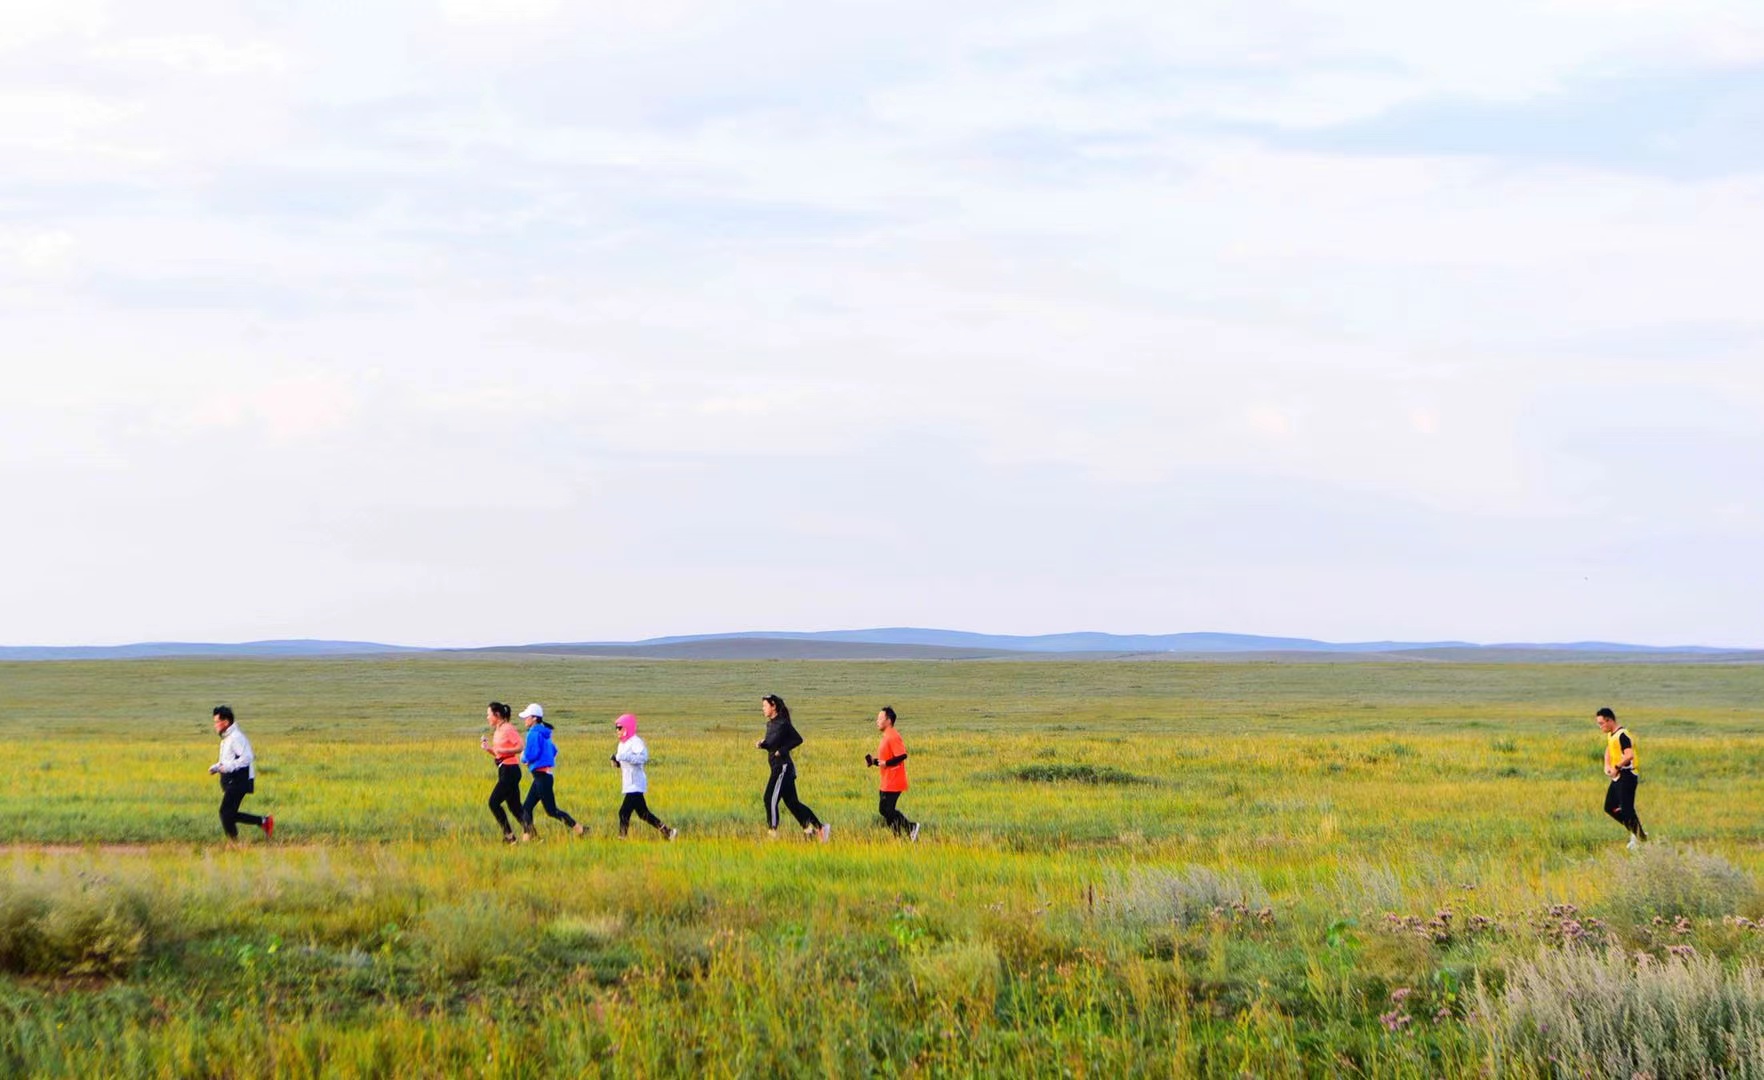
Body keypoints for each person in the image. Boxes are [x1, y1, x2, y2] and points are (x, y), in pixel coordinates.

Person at [756, 694, 829, 841]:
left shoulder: (783, 723)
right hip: (776, 767)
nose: (762, 709)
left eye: (765, 706)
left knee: (769, 798)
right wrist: (763, 744)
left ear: (773, 706)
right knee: (792, 803)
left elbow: (797, 739)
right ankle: (816, 829)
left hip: (783, 768)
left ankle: (772, 832)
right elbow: (772, 744)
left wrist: (782, 750)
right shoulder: (770, 725)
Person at [518, 703, 585, 838]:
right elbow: (554, 751)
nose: (525, 719)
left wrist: (524, 757)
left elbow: (532, 754)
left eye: (527, 717)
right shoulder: (545, 734)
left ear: (534, 718)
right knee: (526, 808)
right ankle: (530, 837)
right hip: (543, 776)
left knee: (551, 811)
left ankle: (581, 830)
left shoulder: (533, 733)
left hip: (541, 777)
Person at [208, 705, 273, 842]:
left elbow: (247, 757)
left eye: (217, 722)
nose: (215, 725)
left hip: (239, 780)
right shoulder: (227, 738)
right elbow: (227, 760)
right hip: (232, 779)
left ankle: (234, 843)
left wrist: (229, 767)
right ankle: (264, 821)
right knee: (229, 814)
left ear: (226, 722)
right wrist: (216, 767)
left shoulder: (235, 737)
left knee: (225, 813)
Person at [609, 713, 677, 840]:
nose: (617, 730)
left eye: (619, 727)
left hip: (636, 783)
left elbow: (643, 758)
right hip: (628, 783)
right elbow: (624, 762)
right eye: (616, 728)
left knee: (623, 812)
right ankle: (669, 832)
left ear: (627, 728)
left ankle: (622, 839)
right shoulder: (621, 744)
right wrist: (617, 763)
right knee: (643, 814)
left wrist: (624, 757)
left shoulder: (636, 742)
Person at [1597, 707, 1647, 849]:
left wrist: (1616, 767)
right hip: (1617, 776)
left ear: (1609, 720)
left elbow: (1629, 755)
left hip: (1627, 775)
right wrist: (1607, 765)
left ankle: (1640, 838)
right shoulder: (1611, 735)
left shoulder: (1622, 735)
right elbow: (1609, 749)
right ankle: (1636, 831)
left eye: (1601, 723)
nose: (1600, 727)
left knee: (1627, 809)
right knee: (1610, 807)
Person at [866, 706, 918, 841]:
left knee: (886, 810)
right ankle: (898, 838)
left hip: (894, 781)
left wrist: (887, 763)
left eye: (880, 718)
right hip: (886, 780)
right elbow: (885, 760)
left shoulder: (893, 736)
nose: (877, 721)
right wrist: (874, 761)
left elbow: (902, 755)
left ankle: (911, 827)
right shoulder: (886, 736)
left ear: (888, 720)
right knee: (886, 811)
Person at [481, 701, 529, 843]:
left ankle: (509, 837)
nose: (487, 717)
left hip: (510, 770)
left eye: (488, 714)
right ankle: (533, 836)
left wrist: (504, 750)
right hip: (505, 769)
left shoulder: (508, 728)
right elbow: (499, 754)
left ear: (497, 714)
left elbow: (520, 746)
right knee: (515, 807)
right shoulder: (498, 730)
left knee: (493, 803)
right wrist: (488, 749)